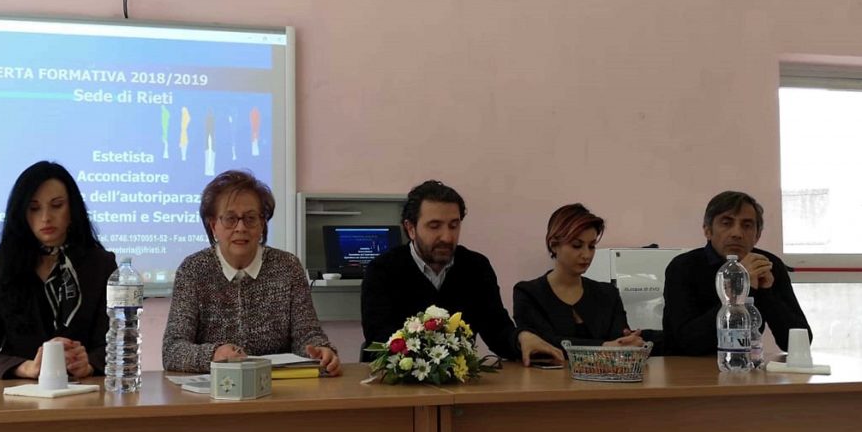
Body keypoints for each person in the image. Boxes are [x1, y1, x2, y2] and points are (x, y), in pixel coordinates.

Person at [361, 180, 564, 365]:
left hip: (458, 382)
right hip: (399, 379)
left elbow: (496, 328)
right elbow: (379, 339)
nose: (447, 237)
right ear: (410, 228)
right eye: (434, 226)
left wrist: (521, 339)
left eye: (454, 226)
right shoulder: (382, 270)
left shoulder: (476, 267)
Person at [162, 169, 341, 375]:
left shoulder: (287, 267)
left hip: (277, 387)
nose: (241, 228)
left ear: (262, 224)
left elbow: (307, 335)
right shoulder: (193, 270)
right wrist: (213, 355)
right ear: (213, 226)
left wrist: (320, 351)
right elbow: (173, 350)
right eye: (230, 219)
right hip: (216, 388)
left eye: (250, 218)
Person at [0, 161, 117, 379]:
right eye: (34, 208)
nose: (46, 217)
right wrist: (28, 367)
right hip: (18, 391)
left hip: (84, 388)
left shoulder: (101, 265)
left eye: (57, 205)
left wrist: (89, 364)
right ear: (21, 214)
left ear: (73, 209)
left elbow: (115, 346)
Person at [663, 191, 811, 356]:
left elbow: (799, 343)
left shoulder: (767, 264)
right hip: (686, 366)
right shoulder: (683, 267)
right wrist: (740, 288)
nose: (737, 233)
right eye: (726, 223)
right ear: (707, 230)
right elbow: (688, 342)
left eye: (747, 226)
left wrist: (767, 292)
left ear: (757, 235)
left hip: (744, 363)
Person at [514, 203, 645, 349]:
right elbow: (543, 343)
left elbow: (620, 342)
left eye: (591, 246)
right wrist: (604, 346)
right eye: (576, 245)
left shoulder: (608, 294)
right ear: (554, 245)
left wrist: (630, 342)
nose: (586, 255)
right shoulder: (528, 293)